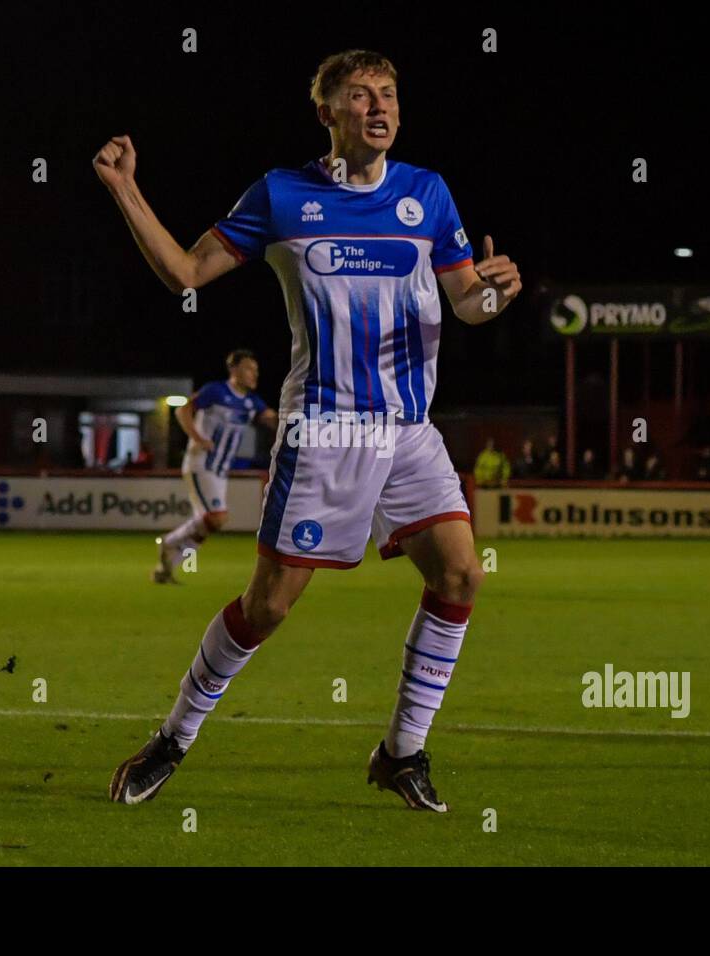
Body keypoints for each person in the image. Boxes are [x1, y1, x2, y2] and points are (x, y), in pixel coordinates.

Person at [93, 48, 521, 811]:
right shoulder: (283, 195)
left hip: (409, 432)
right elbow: (187, 275)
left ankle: (403, 752)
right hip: (323, 432)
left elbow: (466, 303)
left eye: (389, 92)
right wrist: (126, 189)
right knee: (269, 607)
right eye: (360, 95)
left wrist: (497, 294)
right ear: (327, 113)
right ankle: (173, 738)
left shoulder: (428, 194)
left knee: (460, 575)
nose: (380, 106)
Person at [154, 349, 278, 583]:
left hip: (220, 470)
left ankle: (167, 566)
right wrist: (198, 438)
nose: (255, 374)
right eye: (249, 368)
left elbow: (273, 419)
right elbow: (183, 411)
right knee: (216, 517)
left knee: (209, 524)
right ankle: (168, 542)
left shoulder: (252, 402)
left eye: (256, 370)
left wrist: (300, 423)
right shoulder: (216, 391)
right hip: (201, 463)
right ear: (234, 369)